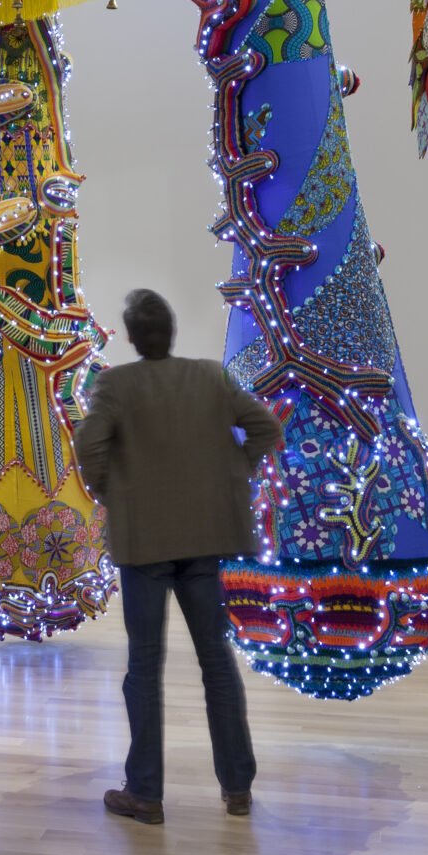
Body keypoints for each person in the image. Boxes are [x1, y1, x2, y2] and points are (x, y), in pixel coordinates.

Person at [73, 287, 284, 827]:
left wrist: (108, 489)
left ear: (130, 337)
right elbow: (266, 427)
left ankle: (145, 793)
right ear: (171, 331)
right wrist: (236, 470)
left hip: (144, 543)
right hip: (208, 538)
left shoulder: (115, 384)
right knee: (217, 663)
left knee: (144, 667)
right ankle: (237, 788)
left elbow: (88, 446)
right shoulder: (210, 376)